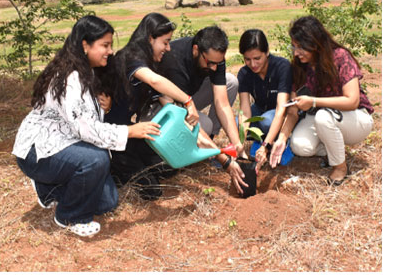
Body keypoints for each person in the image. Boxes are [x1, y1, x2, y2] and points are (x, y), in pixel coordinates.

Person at [12, 15, 161, 237]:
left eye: (110, 45)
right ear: (85, 45)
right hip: (38, 152)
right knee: (96, 159)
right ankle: (70, 217)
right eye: (105, 45)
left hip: (64, 145)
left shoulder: (86, 71)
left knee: (107, 203)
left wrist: (107, 109)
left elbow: (86, 117)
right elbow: (86, 129)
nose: (110, 51)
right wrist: (130, 131)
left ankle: (48, 188)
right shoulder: (70, 78)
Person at [104, 13, 199, 198]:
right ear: (150, 38)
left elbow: (167, 104)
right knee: (151, 192)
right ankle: (110, 171)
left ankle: (130, 168)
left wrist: (190, 132)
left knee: (169, 167)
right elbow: (155, 81)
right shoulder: (131, 57)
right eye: (165, 42)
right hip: (113, 137)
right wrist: (189, 101)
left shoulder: (150, 63)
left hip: (132, 135)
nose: (169, 48)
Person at [272, 16, 374, 185]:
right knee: (300, 147)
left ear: (315, 43)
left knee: (322, 117)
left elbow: (352, 101)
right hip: (323, 116)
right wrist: (282, 139)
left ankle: (340, 167)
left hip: (355, 118)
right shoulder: (299, 67)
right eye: (294, 47)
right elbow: (292, 111)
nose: (296, 53)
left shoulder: (340, 57)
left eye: (300, 47)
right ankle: (334, 149)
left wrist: (313, 102)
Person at [158, 26, 248, 194]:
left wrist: (237, 145)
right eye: (210, 63)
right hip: (164, 106)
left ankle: (209, 141)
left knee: (230, 82)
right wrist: (224, 160)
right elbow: (178, 117)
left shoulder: (214, 57)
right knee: (203, 124)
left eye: (218, 63)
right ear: (195, 50)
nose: (214, 68)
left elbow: (222, 103)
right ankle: (205, 148)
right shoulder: (175, 61)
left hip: (188, 97)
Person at [235, 29, 293, 170]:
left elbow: (281, 110)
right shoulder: (244, 73)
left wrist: (265, 146)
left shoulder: (282, 67)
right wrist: (240, 141)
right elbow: (245, 110)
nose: (253, 64)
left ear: (266, 52)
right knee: (238, 123)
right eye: (247, 59)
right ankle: (261, 140)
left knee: (267, 121)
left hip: (280, 113)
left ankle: (281, 141)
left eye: (257, 58)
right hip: (260, 110)